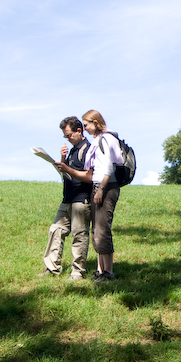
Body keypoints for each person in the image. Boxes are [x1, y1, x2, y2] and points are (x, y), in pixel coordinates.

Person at [56, 109, 121, 284]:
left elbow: (107, 167)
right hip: (99, 187)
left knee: (101, 230)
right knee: (96, 231)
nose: (84, 129)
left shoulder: (105, 139)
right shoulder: (98, 140)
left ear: (95, 122)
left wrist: (100, 188)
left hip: (105, 187)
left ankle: (108, 273)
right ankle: (100, 270)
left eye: (86, 125)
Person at [41, 116, 92, 280]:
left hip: (81, 199)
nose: (68, 139)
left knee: (79, 235)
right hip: (67, 198)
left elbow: (89, 176)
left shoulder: (88, 149)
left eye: (69, 135)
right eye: (65, 136)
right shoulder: (72, 150)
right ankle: (52, 268)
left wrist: (67, 169)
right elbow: (66, 173)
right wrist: (62, 160)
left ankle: (78, 272)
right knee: (56, 230)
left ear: (79, 131)